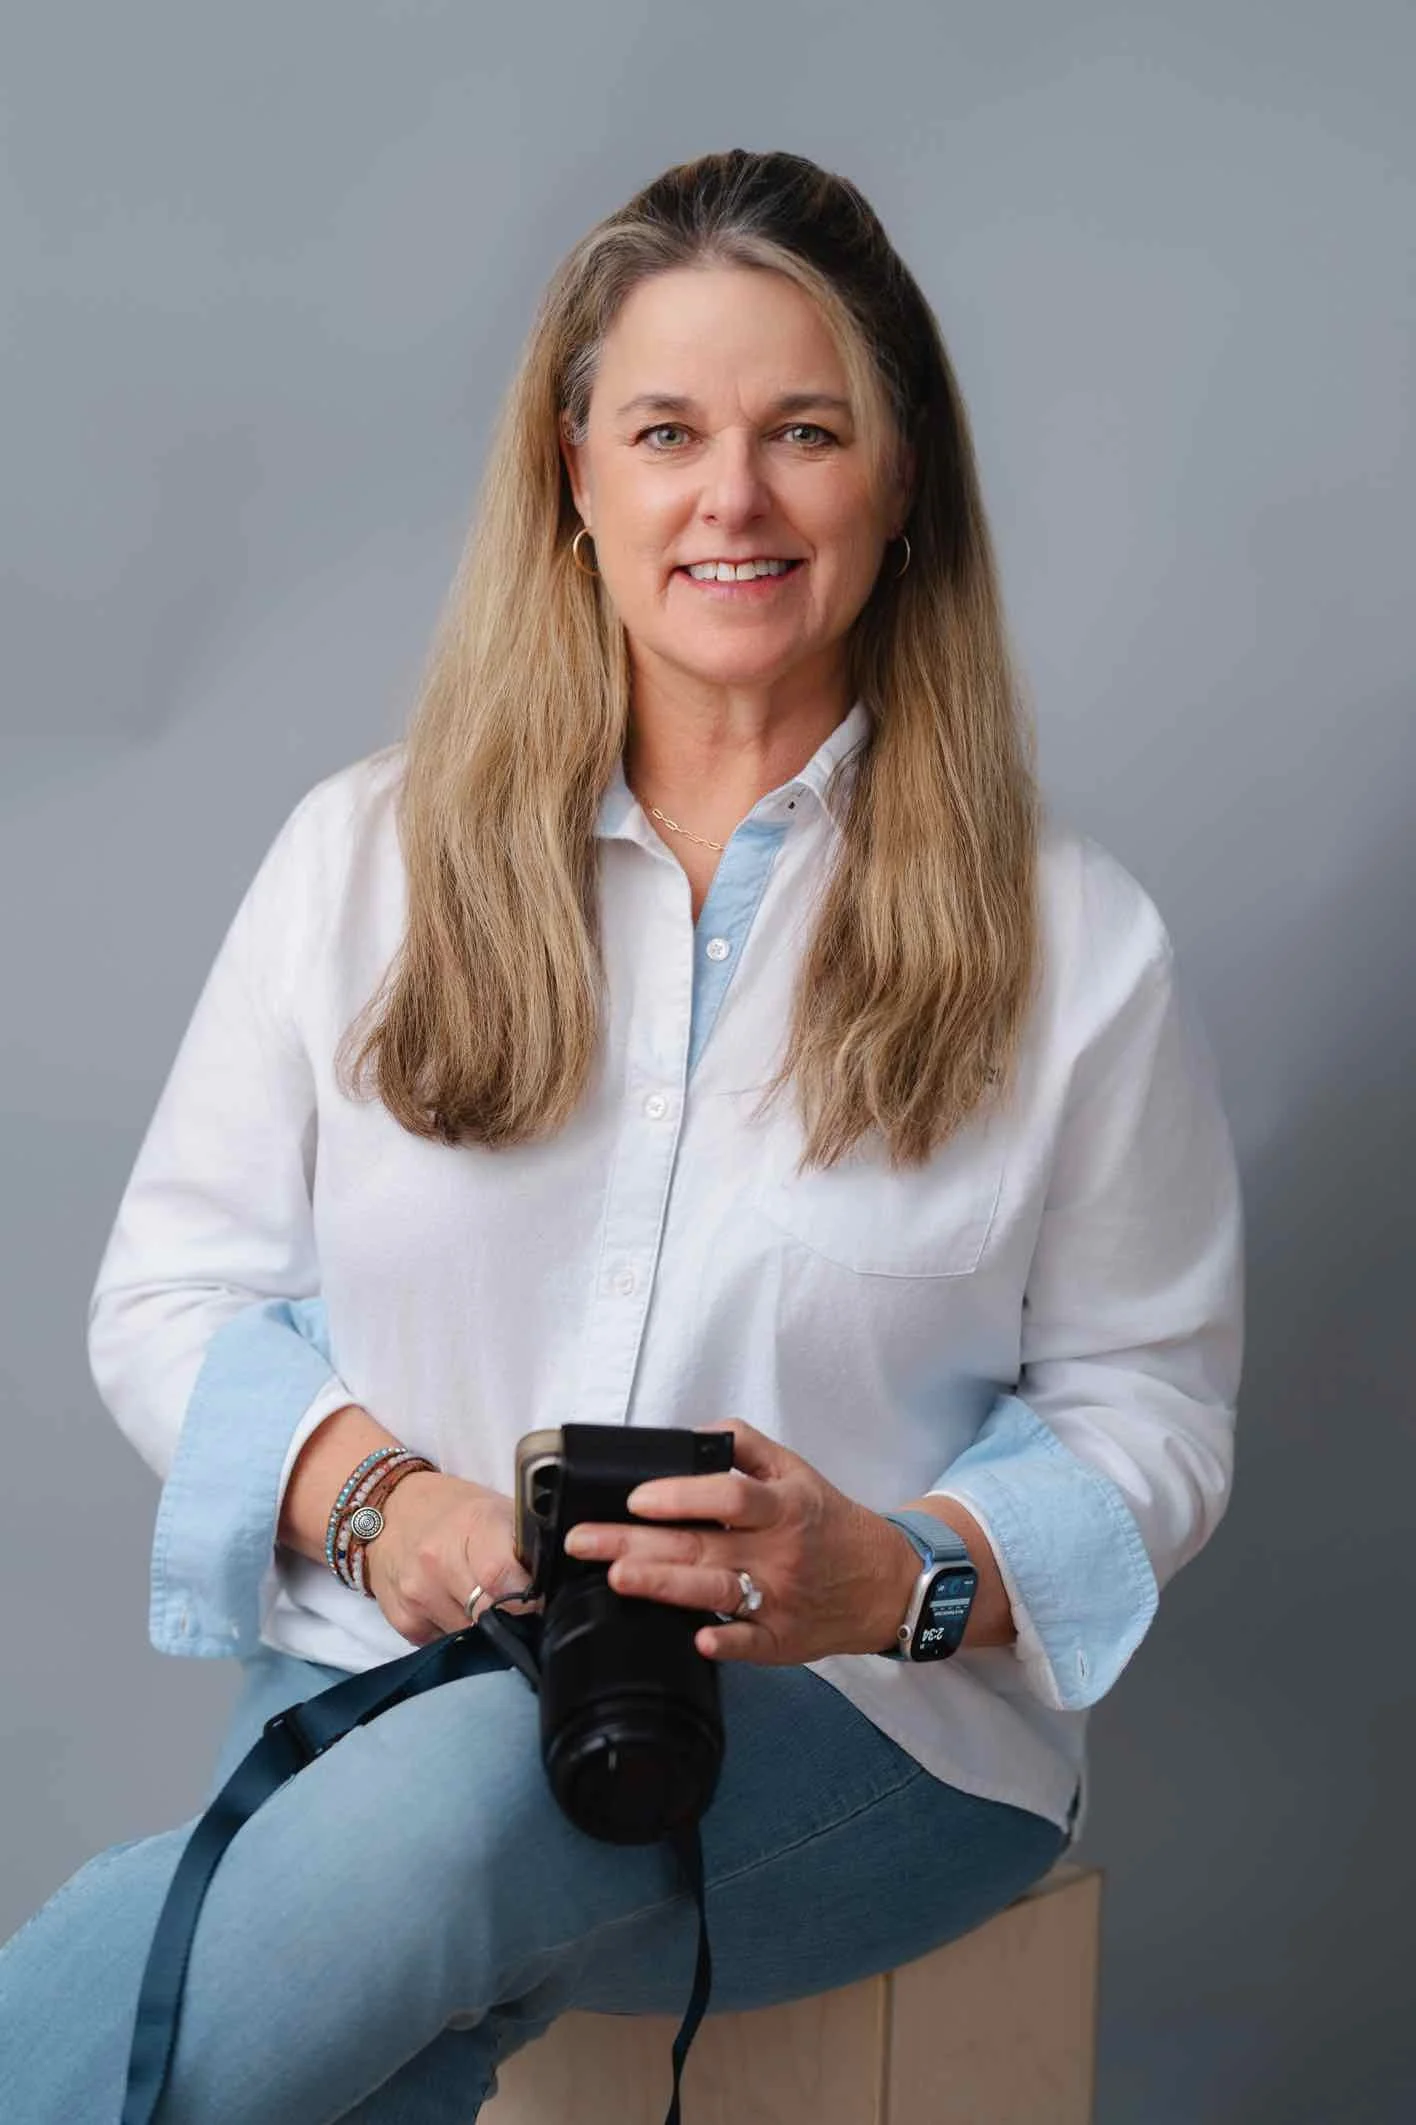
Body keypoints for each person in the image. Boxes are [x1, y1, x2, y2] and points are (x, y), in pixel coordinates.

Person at [0, 146, 1244, 2122]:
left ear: (902, 483)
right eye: (667, 432)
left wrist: (889, 1575)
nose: (731, 496)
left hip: (857, 1741)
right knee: (378, 1939)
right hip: (375, 1687)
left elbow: (1147, 1411)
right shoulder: (361, 862)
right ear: (572, 478)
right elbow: (174, 1299)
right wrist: (387, 1506)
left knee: (434, 1822)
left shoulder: (1075, 944)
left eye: (803, 432)